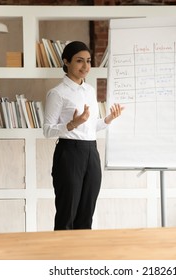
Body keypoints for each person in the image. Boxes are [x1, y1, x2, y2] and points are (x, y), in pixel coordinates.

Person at [43, 41, 123, 230]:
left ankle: (82, 257)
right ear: (66, 61)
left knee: (87, 212)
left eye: (88, 61)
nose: (85, 66)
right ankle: (62, 258)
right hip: (69, 153)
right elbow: (47, 130)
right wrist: (72, 124)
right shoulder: (57, 93)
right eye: (79, 61)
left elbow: (90, 127)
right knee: (67, 213)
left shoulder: (89, 90)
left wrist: (108, 119)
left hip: (91, 152)